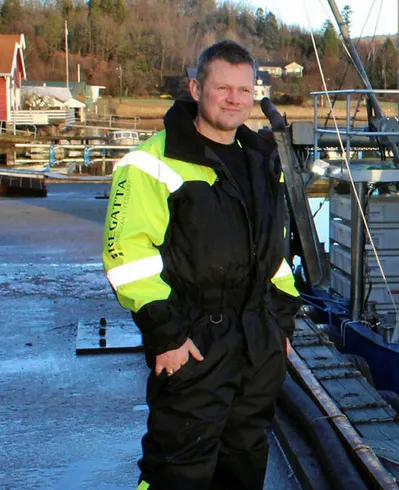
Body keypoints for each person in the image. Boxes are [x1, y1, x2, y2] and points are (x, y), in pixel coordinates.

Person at [101, 39, 301, 489]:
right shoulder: (151, 162)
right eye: (222, 88)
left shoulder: (262, 161)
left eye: (244, 90)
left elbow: (276, 254)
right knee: (177, 470)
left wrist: (281, 326)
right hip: (193, 341)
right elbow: (127, 256)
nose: (234, 99)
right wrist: (166, 335)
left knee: (244, 465)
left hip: (257, 341)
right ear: (196, 88)